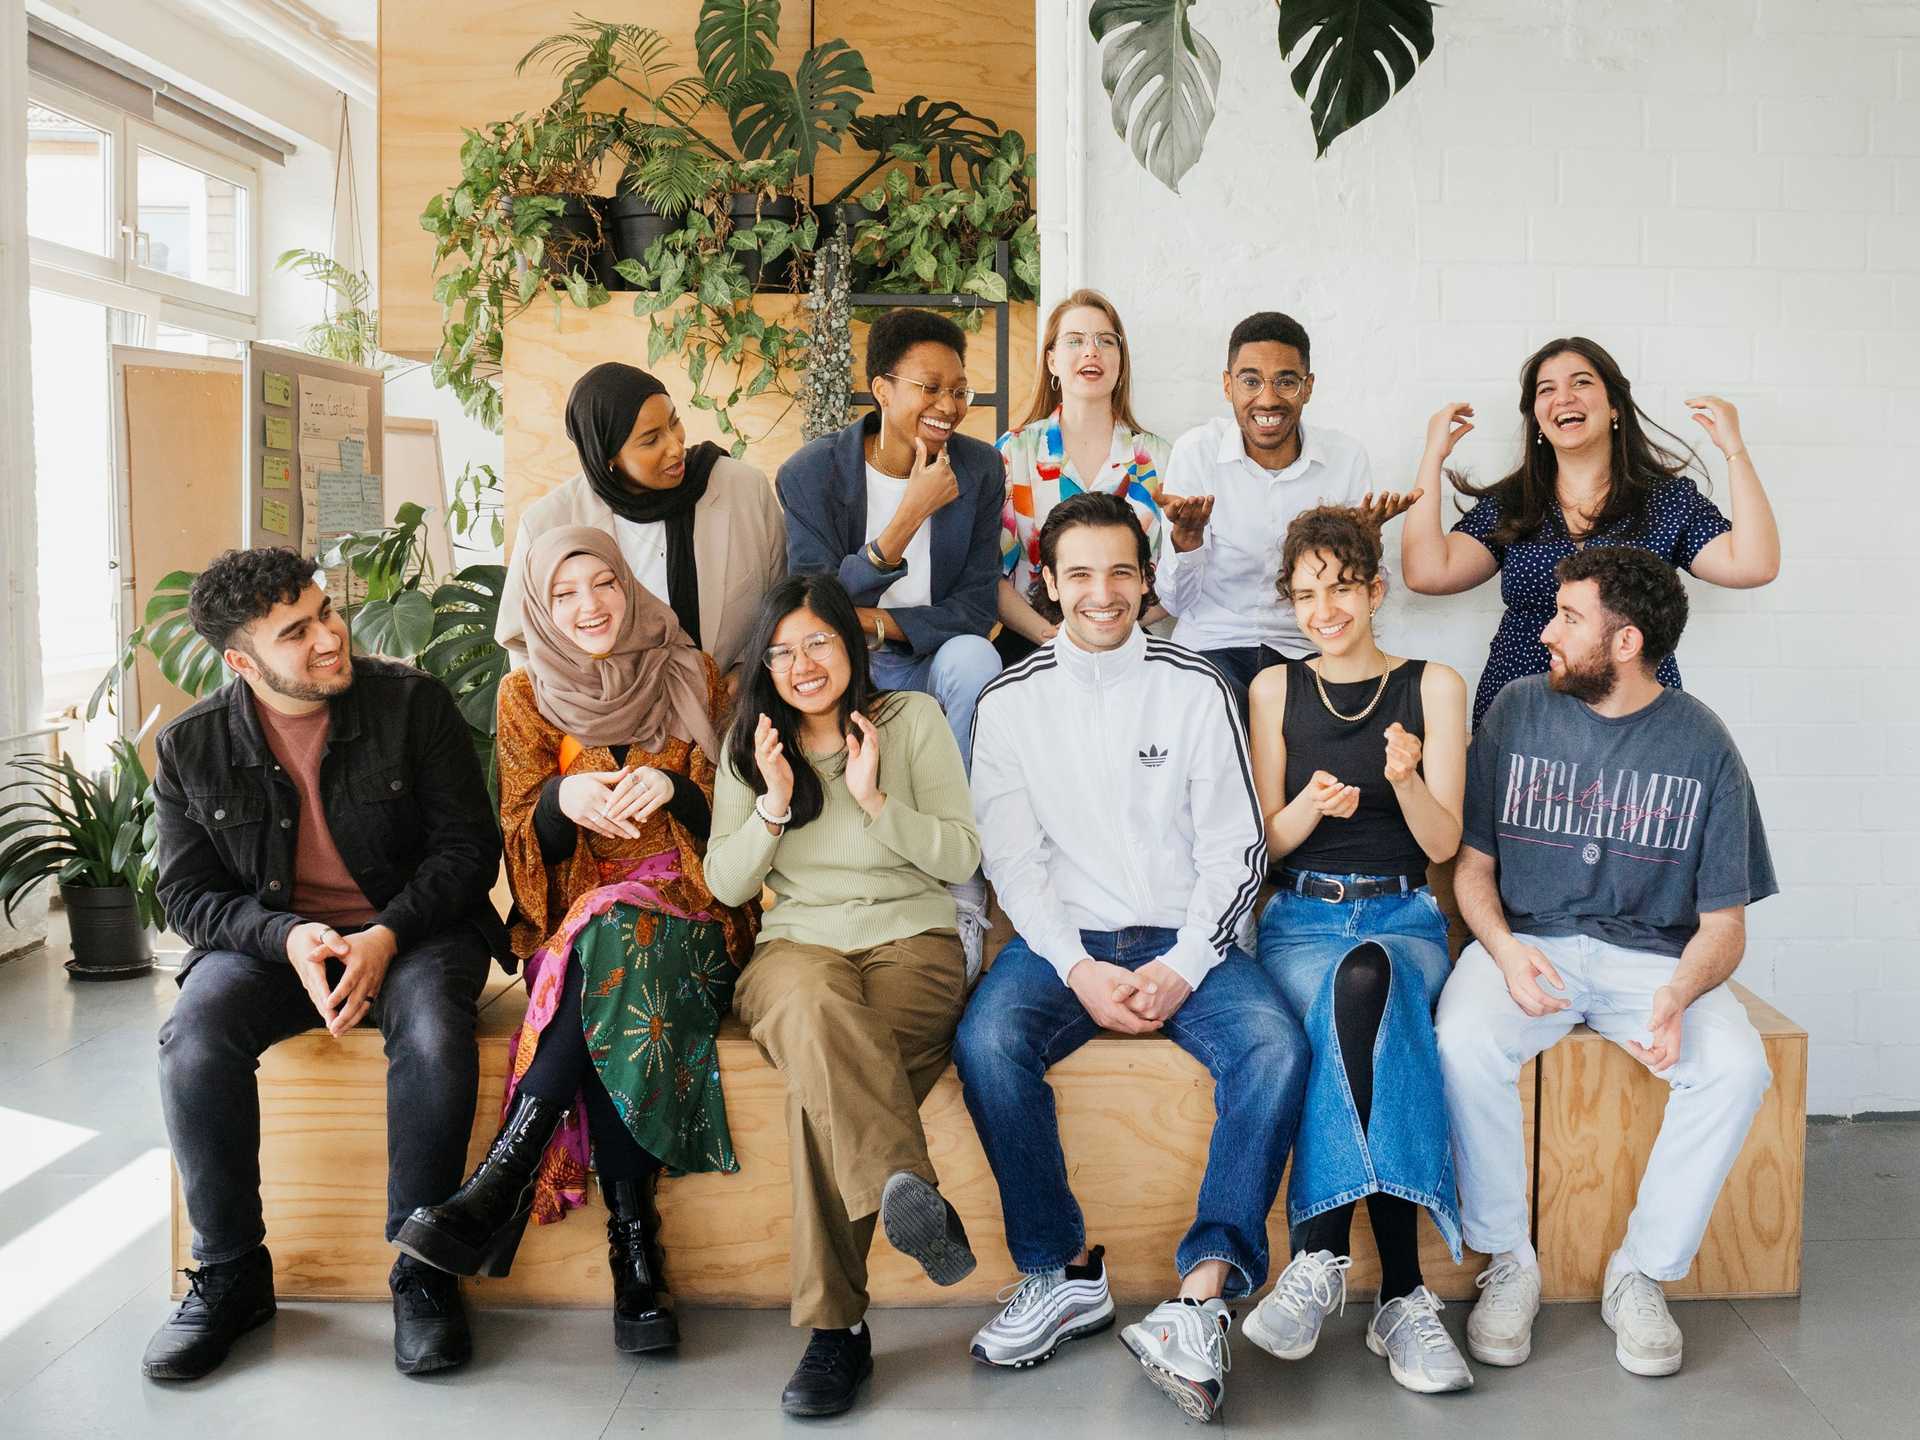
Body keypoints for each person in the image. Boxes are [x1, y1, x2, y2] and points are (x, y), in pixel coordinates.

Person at [957, 492, 1306, 1425]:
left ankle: (1201, 1296)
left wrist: (1186, 964)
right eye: (1079, 573)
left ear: (1148, 579)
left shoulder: (1195, 685)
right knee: (988, 1044)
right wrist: (1078, 969)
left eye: (1121, 570)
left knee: (1275, 1048)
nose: (1102, 592)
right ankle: (1061, 1272)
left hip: (1186, 935)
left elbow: (1236, 848)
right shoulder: (1009, 698)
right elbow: (1013, 863)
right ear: (1049, 583)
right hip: (1062, 943)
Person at [145, 548, 508, 1381]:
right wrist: (288, 939)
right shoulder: (190, 749)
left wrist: (384, 935)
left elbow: (466, 849)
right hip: (279, 949)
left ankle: (423, 1270)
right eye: (296, 631)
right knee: (193, 1036)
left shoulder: (412, 705)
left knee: (432, 1030)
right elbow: (188, 896)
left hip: (415, 932)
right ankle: (231, 1275)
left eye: (326, 613)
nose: (331, 637)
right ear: (242, 661)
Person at [395, 528, 755, 1355]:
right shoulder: (524, 696)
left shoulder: (692, 674)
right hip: (579, 920)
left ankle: (499, 1183)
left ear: (630, 587)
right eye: (563, 594)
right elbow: (520, 834)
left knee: (615, 937)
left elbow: (734, 821)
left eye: (603, 585)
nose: (588, 606)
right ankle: (636, 1250)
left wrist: (673, 787)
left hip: (694, 914)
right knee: (606, 943)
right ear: (539, 609)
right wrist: (564, 799)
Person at [1434, 546, 1777, 1379]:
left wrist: (1679, 994)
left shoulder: (1703, 745)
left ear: (1624, 644)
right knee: (1463, 1042)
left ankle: (1641, 1273)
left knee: (1736, 1066)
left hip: (1652, 960)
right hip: (1530, 945)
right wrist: (1506, 953)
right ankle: (1509, 1258)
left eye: (1568, 619)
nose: (1546, 632)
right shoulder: (1516, 710)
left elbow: (1725, 925)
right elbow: (1471, 869)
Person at [704, 574, 984, 1418]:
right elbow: (725, 882)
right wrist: (776, 808)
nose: (802, 664)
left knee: (820, 1091)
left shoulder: (912, 722)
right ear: (766, 665)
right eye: (782, 651)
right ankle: (904, 1183)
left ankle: (835, 1337)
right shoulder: (750, 747)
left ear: (851, 645)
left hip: (913, 944)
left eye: (818, 642)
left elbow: (962, 856)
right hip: (799, 948)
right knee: (823, 1023)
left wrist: (875, 801)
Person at [1239, 506, 1473, 1394]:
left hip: (1405, 920)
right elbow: (1264, 843)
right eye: (1304, 594)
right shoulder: (1273, 691)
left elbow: (1443, 845)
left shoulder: (1435, 686)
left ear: (1375, 590)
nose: (1324, 608)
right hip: (1299, 923)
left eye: (1340, 587)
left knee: (1371, 979)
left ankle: (1318, 1261)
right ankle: (1404, 1298)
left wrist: (1406, 779)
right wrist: (1308, 809)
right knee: (1360, 999)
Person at [1400, 336, 1780, 727]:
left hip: (1632, 719)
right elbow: (1428, 572)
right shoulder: (1515, 503)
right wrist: (1433, 455)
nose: (1563, 397)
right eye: (1546, 389)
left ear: (1615, 405)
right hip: (1521, 717)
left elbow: (1753, 565)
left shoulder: (1664, 501)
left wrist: (1734, 450)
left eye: (1581, 382)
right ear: (1538, 419)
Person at [1155, 311, 1416, 713]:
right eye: (1250, 380)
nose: (1268, 398)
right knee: (1216, 717)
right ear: (1228, 385)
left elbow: (1362, 597)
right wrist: (1185, 542)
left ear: (1307, 388)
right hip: (1214, 645)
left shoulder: (1345, 458)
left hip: (1307, 648)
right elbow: (1174, 602)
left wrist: (1367, 546)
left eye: (1286, 381)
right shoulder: (1196, 453)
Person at [775, 308, 1002, 767]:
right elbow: (813, 603)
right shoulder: (811, 474)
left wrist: (873, 622)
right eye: (931, 388)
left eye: (959, 391)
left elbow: (976, 609)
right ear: (883, 389)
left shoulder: (979, 468)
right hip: (844, 657)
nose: (949, 406)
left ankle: (955, 812)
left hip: (933, 655)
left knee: (975, 658)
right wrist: (911, 513)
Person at [496, 361, 787, 688]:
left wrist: (743, 677)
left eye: (674, 422)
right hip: (611, 728)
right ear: (607, 456)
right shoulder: (549, 524)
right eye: (651, 440)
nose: (675, 447)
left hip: (735, 716)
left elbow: (784, 600)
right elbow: (523, 641)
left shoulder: (743, 489)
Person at [994, 287, 1171, 664]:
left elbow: (1180, 572)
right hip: (1034, 641)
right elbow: (985, 570)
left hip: (1131, 640)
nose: (1091, 350)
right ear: (1052, 361)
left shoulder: (1158, 457)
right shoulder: (1014, 452)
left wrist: (1112, 630)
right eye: (1075, 340)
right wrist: (1050, 635)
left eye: (1105, 341)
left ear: (1120, 361)